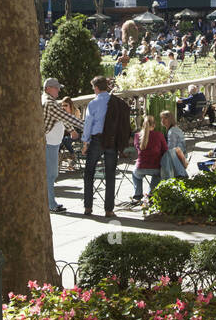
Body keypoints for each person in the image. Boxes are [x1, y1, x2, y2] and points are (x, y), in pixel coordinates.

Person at [82, 75, 130, 217]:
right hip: (112, 140)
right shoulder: (116, 102)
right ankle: (109, 209)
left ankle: (88, 207)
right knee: (110, 175)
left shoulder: (93, 103)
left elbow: (88, 124)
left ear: (96, 88)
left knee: (89, 173)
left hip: (97, 139)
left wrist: (85, 143)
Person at [42, 77, 82, 213]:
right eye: (56, 88)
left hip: (52, 144)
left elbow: (62, 118)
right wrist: (87, 126)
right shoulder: (49, 103)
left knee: (51, 174)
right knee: (50, 174)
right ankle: (51, 204)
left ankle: (50, 203)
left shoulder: (51, 101)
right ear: (48, 89)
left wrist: (71, 130)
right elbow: (67, 117)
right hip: (49, 144)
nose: (59, 90)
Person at [130, 113, 167, 205]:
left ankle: (137, 195)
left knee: (135, 174)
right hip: (155, 167)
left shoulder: (137, 136)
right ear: (154, 125)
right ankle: (151, 195)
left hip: (140, 167)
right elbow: (165, 150)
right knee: (158, 175)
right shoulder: (159, 135)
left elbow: (137, 149)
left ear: (143, 125)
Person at [160, 110, 189, 181]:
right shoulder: (174, 128)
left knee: (164, 158)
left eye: (165, 118)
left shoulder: (172, 131)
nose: (163, 120)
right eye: (162, 118)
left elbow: (171, 148)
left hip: (177, 156)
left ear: (170, 119)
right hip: (180, 154)